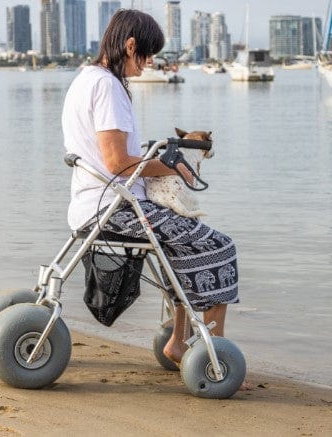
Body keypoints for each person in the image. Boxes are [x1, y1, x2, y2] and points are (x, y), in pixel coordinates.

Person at [62, 9, 240, 368]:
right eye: (147, 54)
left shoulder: (87, 78)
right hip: (117, 210)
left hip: (92, 205)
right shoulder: (108, 87)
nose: (148, 63)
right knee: (220, 248)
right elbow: (117, 163)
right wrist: (174, 166)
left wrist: (158, 160)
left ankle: (178, 342)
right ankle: (212, 356)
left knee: (180, 250)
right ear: (130, 46)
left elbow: (111, 157)